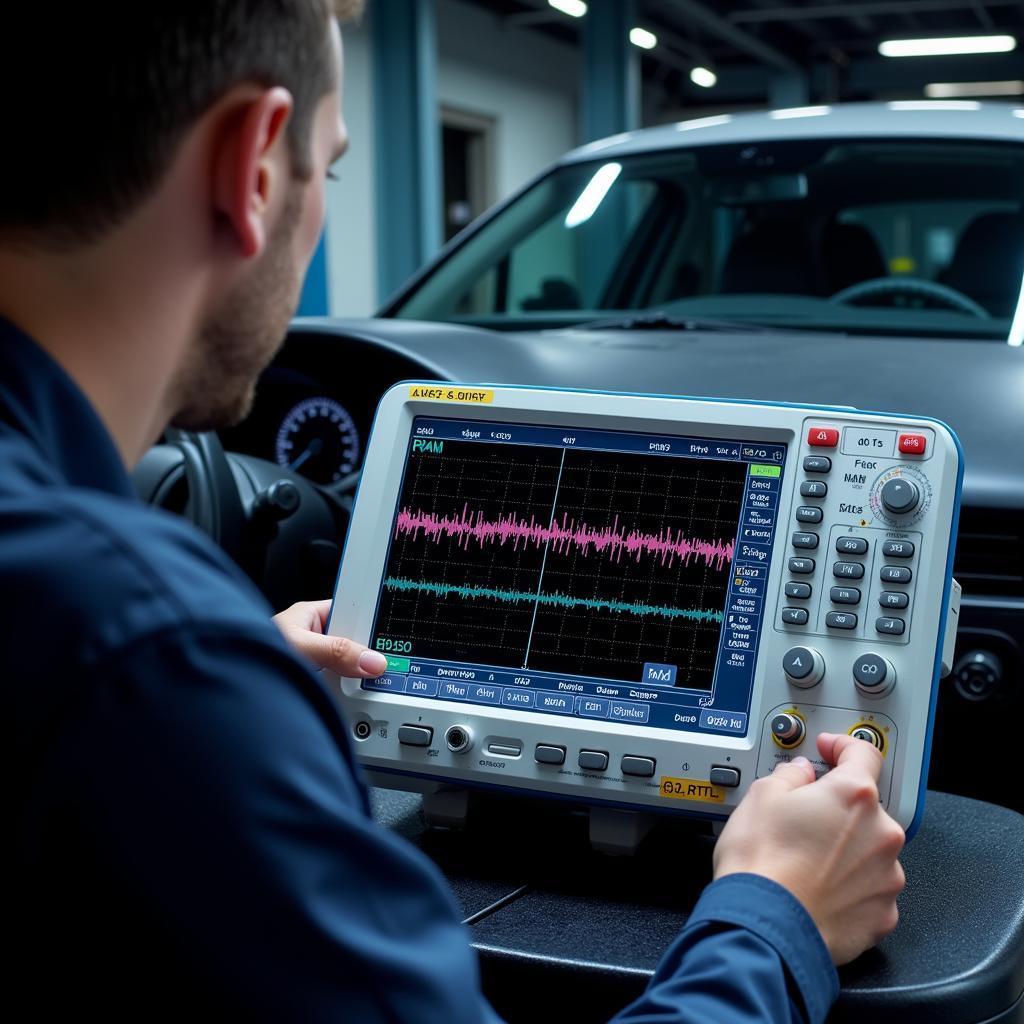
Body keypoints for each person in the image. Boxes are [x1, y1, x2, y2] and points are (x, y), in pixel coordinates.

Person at [2, 2, 905, 1021]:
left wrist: (216, 713)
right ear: (252, 165)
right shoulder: (145, 659)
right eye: (327, 170)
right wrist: (775, 913)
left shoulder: (115, 654)